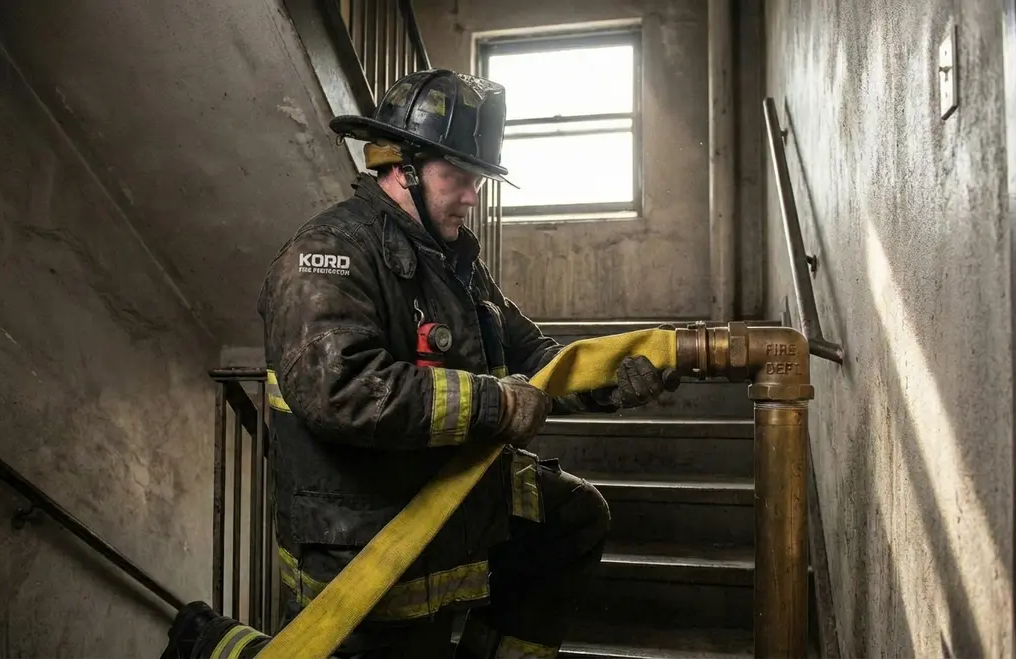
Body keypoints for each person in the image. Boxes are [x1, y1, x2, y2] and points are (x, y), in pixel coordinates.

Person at [162, 68, 680, 659]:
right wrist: (496, 403)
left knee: (573, 517)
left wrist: (609, 378)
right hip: (364, 537)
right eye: (459, 176)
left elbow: (534, 356)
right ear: (402, 167)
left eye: (478, 179)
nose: (472, 196)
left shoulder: (455, 263)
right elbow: (342, 390)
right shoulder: (328, 253)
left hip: (444, 503)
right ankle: (204, 643)